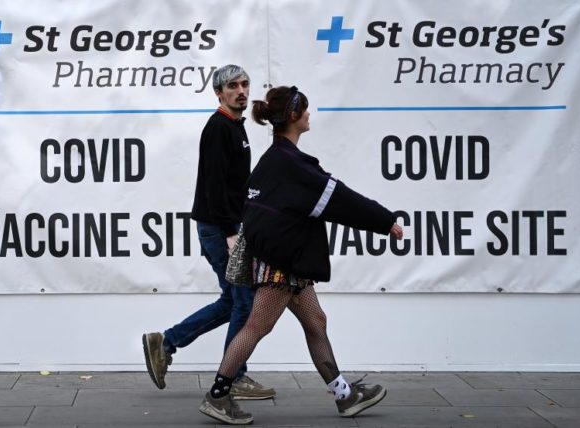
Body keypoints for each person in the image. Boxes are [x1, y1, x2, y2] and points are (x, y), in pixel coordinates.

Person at [198, 85, 404, 425]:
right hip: (281, 265)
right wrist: (386, 221)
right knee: (256, 326)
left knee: (315, 321)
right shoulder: (291, 165)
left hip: (288, 260)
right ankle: (217, 396)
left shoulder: (274, 159)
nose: (309, 114)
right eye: (305, 109)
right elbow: (343, 200)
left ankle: (345, 395)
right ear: (293, 116)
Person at [142, 64, 275, 400]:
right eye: (233, 86)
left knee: (232, 301)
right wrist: (231, 233)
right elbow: (215, 187)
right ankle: (234, 376)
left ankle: (167, 341)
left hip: (224, 226)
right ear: (219, 93)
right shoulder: (219, 128)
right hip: (220, 229)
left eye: (244, 84)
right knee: (243, 302)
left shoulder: (235, 126)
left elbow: (234, 186)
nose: (241, 91)